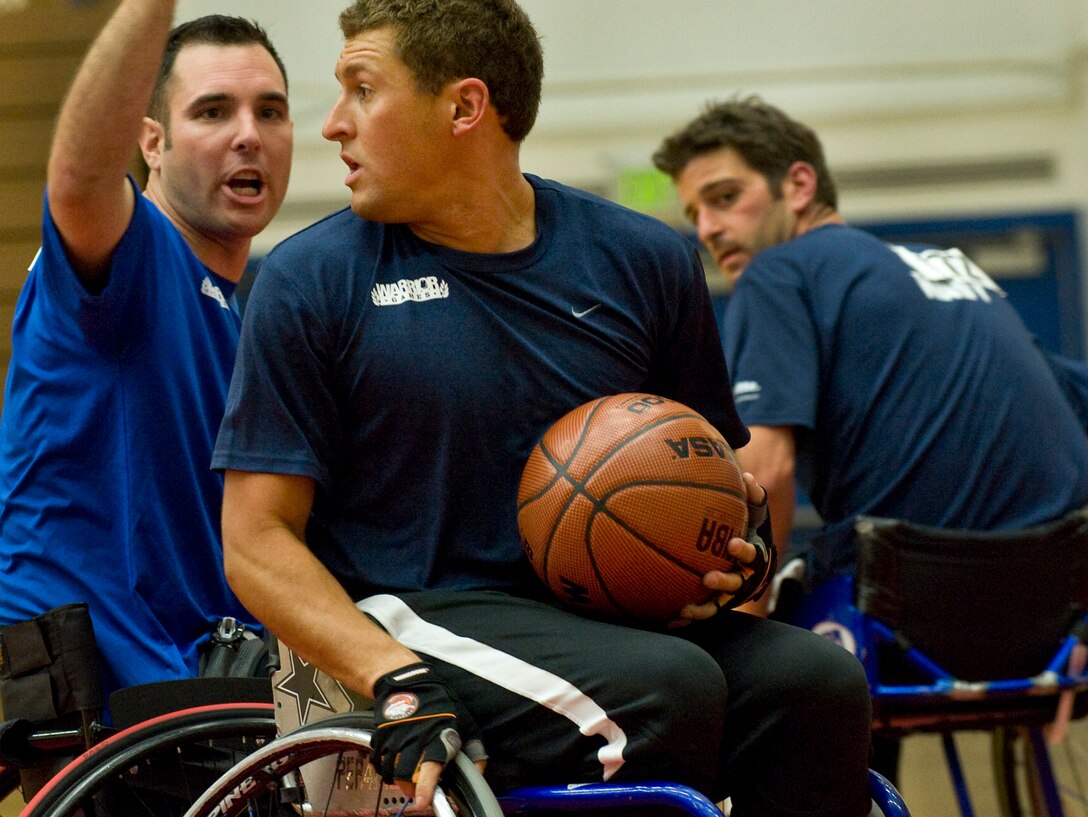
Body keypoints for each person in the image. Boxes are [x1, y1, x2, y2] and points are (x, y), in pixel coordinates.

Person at [212, 3, 874, 816]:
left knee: (818, 682)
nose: (332, 125)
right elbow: (254, 542)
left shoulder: (645, 260)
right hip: (402, 615)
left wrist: (736, 557)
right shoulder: (308, 280)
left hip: (597, 615)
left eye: (361, 89)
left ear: (464, 107)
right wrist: (390, 673)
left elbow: (721, 481)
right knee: (667, 688)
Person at [652, 94, 1088, 779]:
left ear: (799, 184)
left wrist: (742, 622)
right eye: (695, 213)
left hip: (911, 621)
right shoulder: (959, 270)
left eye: (725, 196)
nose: (707, 228)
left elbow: (763, 470)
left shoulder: (779, 272)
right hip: (1052, 630)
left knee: (721, 658)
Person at [0, 0, 293, 711]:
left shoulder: (258, 305)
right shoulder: (136, 253)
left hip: (214, 673)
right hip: (105, 687)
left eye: (270, 110)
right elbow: (77, 179)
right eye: (213, 111)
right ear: (152, 142)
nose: (248, 135)